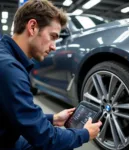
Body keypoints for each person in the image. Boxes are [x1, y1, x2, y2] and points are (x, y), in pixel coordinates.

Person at [0, 0, 102, 149]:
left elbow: (16, 114)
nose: (54, 47)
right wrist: (85, 134)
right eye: (53, 36)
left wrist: (54, 118)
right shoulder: (10, 69)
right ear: (33, 27)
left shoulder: (6, 56)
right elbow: (46, 139)